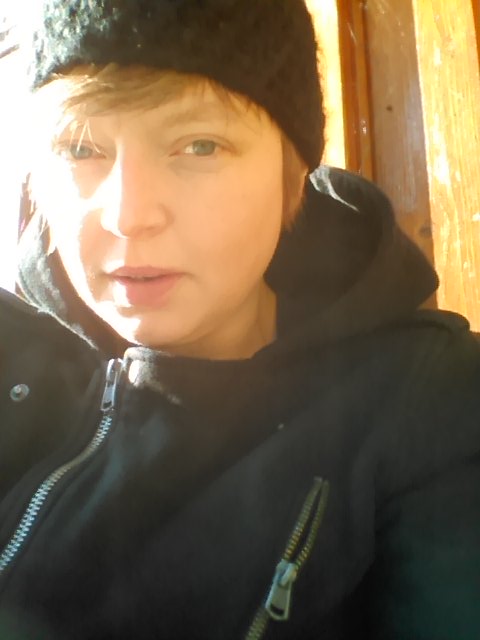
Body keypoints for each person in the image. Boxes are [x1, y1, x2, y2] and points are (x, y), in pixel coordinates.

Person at [1, 1, 480, 638]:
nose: (127, 215)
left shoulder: (431, 402)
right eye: (80, 148)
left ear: (292, 174)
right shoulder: (13, 354)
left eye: (199, 145)